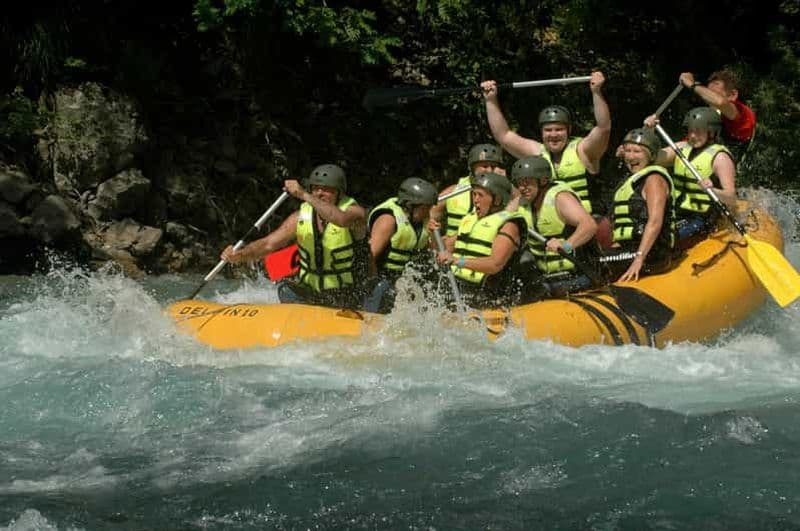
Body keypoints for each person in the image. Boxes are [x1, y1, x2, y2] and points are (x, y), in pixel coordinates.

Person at [221, 164, 368, 308]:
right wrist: (240, 254)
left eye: (327, 190)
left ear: (340, 193)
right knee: (286, 289)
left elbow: (340, 220)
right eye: (316, 189)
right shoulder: (300, 218)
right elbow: (268, 244)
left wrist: (304, 194)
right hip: (313, 294)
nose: (320, 193)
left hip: (347, 295)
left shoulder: (356, 213)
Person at [480, 71, 611, 214]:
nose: (553, 135)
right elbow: (503, 135)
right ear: (541, 132)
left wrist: (596, 92)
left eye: (559, 129)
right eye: (548, 130)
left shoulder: (583, 150)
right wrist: (491, 100)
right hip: (548, 229)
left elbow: (603, 128)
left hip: (584, 225)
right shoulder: (537, 153)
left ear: (569, 130)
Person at [508, 156, 599, 299]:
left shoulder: (560, 198)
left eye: (527, 182)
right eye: (519, 183)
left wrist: (567, 245)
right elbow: (501, 219)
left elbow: (589, 225)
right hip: (546, 279)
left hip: (577, 276)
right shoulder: (520, 202)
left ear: (543, 181)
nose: (522, 188)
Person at [644, 107, 736, 245]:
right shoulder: (681, 148)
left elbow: (731, 198)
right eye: (690, 130)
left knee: (663, 240)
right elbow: (651, 158)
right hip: (676, 211)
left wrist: (713, 190)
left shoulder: (720, 158)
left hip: (701, 217)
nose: (692, 135)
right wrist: (649, 131)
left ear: (711, 133)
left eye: (698, 131)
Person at [435, 172, 527, 308]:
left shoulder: (509, 225)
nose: (475, 200)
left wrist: (456, 260)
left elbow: (494, 264)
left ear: (496, 199)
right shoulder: (470, 220)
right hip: (457, 288)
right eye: (474, 194)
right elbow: (445, 248)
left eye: (480, 195)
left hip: (486, 296)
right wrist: (433, 233)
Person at [603, 128, 676, 282]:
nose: (630, 157)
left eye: (637, 151)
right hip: (630, 250)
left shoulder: (654, 179)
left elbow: (655, 222)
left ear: (651, 155)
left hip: (653, 254)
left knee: (593, 263)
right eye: (627, 151)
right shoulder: (632, 179)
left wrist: (638, 259)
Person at [362, 177, 439, 313]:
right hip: (382, 278)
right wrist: (373, 284)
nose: (428, 212)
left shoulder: (423, 220)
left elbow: (437, 255)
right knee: (383, 291)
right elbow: (370, 257)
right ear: (409, 205)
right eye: (424, 208)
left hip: (406, 279)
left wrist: (434, 234)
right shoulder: (388, 220)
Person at [429, 143, 504, 237]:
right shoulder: (454, 190)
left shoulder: (506, 191)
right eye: (484, 166)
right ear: (471, 168)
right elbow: (431, 214)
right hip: (453, 249)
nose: (489, 171)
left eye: (493, 167)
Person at [679, 70, 756, 162]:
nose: (707, 96)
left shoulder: (743, 115)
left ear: (732, 95)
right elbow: (683, 147)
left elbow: (720, 102)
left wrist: (692, 85)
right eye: (707, 93)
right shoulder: (707, 119)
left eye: (716, 84)